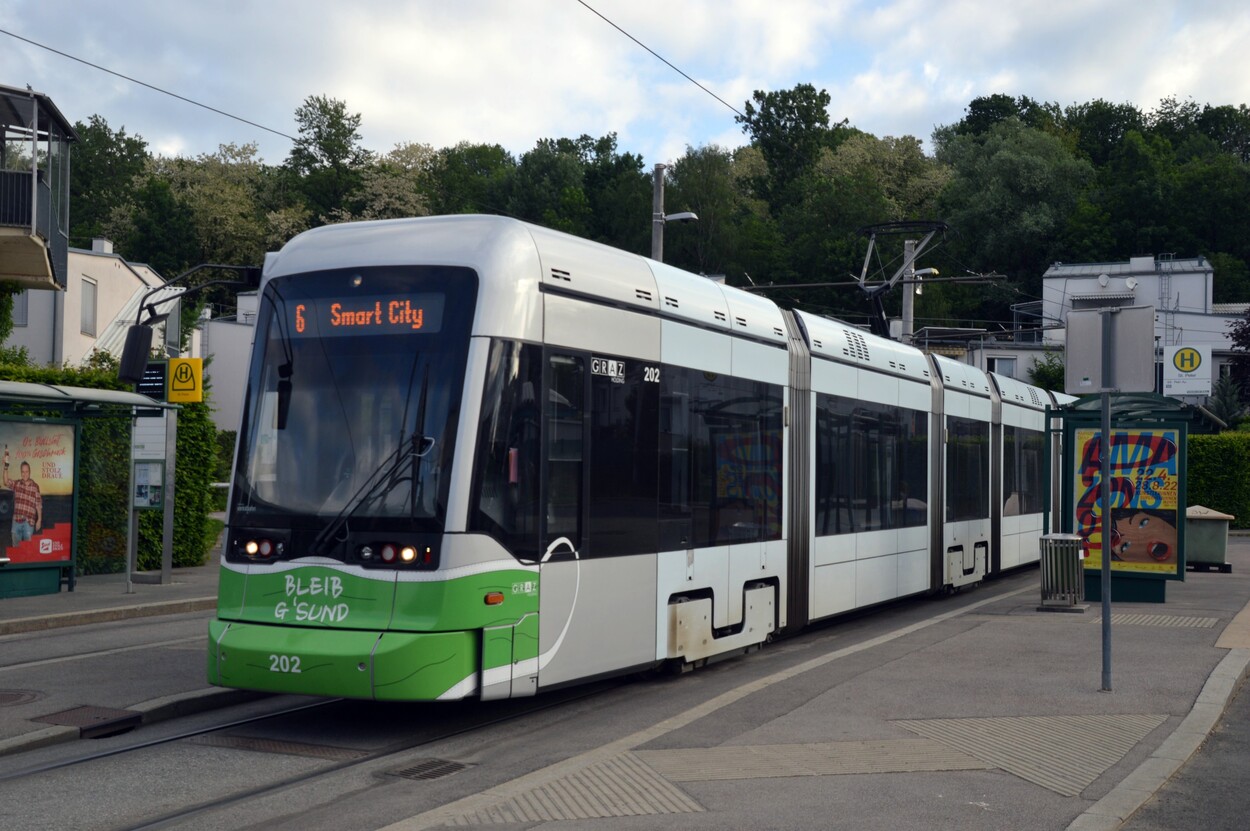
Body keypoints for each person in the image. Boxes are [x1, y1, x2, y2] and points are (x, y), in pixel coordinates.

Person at [4, 460, 42, 543]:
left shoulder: (35, 487)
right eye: (23, 472)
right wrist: (6, 467)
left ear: (30, 472)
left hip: (29, 522)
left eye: (26, 471)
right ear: (21, 472)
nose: (25, 474)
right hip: (16, 521)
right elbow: (6, 482)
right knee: (16, 550)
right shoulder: (17, 484)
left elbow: (38, 504)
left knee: (27, 550)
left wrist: (39, 520)